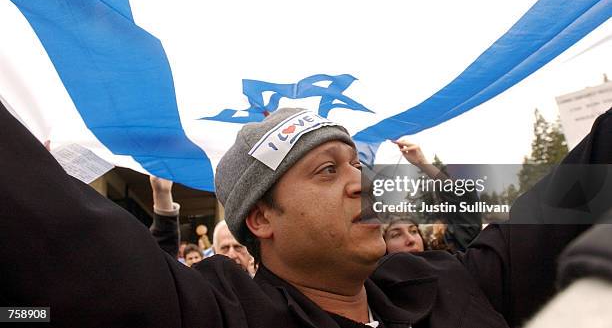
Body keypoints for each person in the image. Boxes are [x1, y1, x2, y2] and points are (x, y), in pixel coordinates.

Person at [1, 104, 610, 327]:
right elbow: (58, 228)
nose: (363, 185)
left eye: (358, 163)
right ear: (261, 218)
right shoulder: (217, 313)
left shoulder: (449, 282)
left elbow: (578, 193)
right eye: (327, 170)